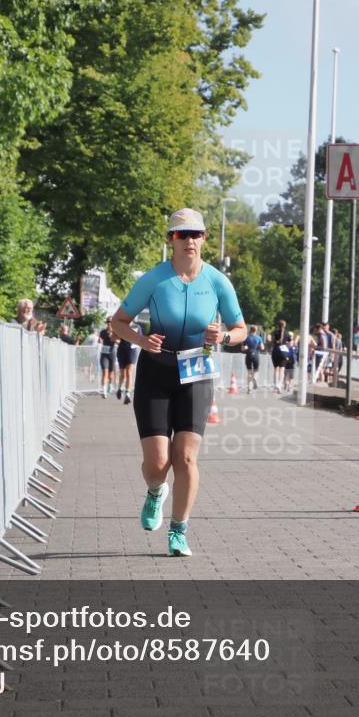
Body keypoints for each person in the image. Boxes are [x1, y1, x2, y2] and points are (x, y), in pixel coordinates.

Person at [110, 208, 246, 557]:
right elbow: (118, 322)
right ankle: (156, 491)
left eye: (195, 234)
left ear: (204, 239)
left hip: (196, 369)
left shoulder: (217, 281)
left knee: (185, 458)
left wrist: (224, 337)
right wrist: (141, 341)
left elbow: (240, 329)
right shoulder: (154, 279)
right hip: (156, 370)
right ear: (170, 239)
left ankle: (178, 531)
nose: (189, 240)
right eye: (181, 234)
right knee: (158, 463)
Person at [115, 321, 142, 404]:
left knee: (129, 372)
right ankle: (119, 389)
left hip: (132, 350)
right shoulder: (121, 324)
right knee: (123, 374)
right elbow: (115, 337)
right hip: (122, 350)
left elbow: (140, 338)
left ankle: (127, 394)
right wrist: (117, 338)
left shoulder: (137, 326)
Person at [97, 317, 117, 398]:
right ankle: (104, 391)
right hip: (104, 353)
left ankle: (110, 385)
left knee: (110, 374)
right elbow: (100, 340)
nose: (109, 323)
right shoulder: (103, 331)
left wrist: (113, 337)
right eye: (108, 322)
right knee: (105, 372)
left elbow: (119, 341)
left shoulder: (115, 331)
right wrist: (100, 340)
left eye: (111, 322)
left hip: (112, 353)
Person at [242, 325, 264, 393]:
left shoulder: (246, 338)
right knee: (255, 371)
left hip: (248, 355)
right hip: (256, 355)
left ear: (250, 330)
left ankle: (249, 388)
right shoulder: (259, 338)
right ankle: (254, 378)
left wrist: (246, 347)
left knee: (249, 372)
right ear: (256, 330)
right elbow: (262, 348)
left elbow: (243, 348)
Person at [269, 319, 288, 392]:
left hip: (276, 350)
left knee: (276, 369)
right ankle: (279, 385)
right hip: (284, 351)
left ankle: (276, 385)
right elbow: (290, 343)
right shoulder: (287, 333)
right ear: (285, 326)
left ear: (278, 325)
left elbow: (269, 339)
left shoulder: (274, 332)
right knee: (282, 369)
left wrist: (273, 342)